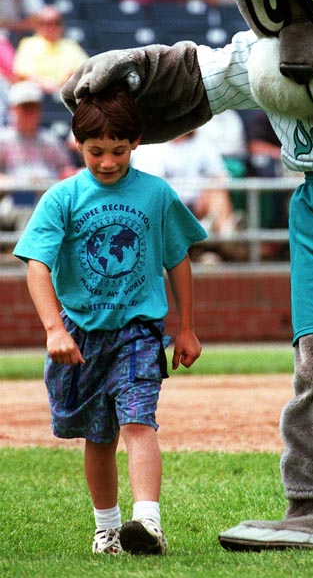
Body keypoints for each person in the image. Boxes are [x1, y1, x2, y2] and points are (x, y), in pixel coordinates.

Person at [13, 83, 206, 555]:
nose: (107, 162)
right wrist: (54, 329)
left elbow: (177, 258)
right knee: (98, 438)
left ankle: (148, 523)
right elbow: (37, 264)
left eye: (118, 151)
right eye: (96, 151)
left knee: (139, 422)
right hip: (79, 331)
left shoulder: (156, 194)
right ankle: (108, 529)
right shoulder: (62, 198)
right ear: (78, 144)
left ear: (135, 143)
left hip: (139, 331)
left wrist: (185, 326)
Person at [0, 80, 76, 229]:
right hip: (18, 195)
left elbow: (66, 169)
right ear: (13, 110)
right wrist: (13, 181)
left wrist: (66, 176)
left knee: (61, 206)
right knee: (30, 208)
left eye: (33, 108)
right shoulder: (3, 139)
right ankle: (26, 252)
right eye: (24, 108)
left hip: (49, 192)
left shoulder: (50, 139)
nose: (29, 113)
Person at [13, 4, 89, 93]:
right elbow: (23, 74)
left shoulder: (70, 45)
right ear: (38, 25)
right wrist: (48, 86)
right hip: (37, 93)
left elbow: (84, 70)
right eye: (47, 23)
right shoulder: (29, 44)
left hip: (67, 91)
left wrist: (63, 84)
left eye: (56, 23)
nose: (52, 27)